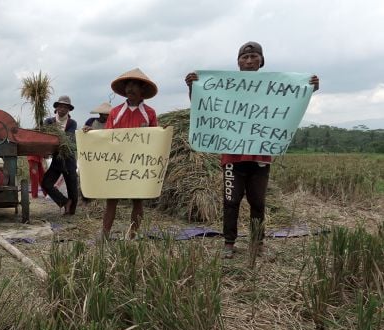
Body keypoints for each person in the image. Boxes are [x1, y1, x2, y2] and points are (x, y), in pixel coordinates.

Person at [185, 41, 320, 259]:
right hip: (232, 157)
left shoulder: (273, 88)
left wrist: (308, 88)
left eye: (253, 56)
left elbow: (290, 104)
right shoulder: (226, 86)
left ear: (261, 60)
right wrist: (193, 87)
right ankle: (229, 242)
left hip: (260, 157)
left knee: (258, 202)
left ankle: (257, 244)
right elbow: (205, 106)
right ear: (238, 62)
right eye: (244, 58)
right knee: (231, 200)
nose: (248, 61)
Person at [84, 68, 159, 240]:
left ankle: (132, 236)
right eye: (128, 85)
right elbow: (107, 137)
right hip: (117, 164)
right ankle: (104, 235)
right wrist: (92, 133)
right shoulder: (116, 112)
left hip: (139, 164)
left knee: (138, 201)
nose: (130, 89)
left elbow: (155, 139)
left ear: (142, 90)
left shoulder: (150, 113)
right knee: (111, 201)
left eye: (134, 86)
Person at [41, 95, 78, 215]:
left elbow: (69, 138)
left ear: (69, 109)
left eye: (65, 107)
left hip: (69, 158)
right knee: (46, 183)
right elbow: (45, 136)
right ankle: (64, 202)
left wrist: (55, 136)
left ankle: (71, 211)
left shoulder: (72, 123)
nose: (62, 109)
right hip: (57, 159)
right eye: (60, 106)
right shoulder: (49, 121)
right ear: (56, 108)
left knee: (72, 186)